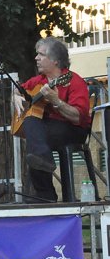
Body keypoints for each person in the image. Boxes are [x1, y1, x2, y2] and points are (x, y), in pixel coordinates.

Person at [13, 37, 90, 202]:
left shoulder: (74, 81)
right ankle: (43, 173)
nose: (36, 58)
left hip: (72, 130)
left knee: (35, 136)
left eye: (41, 54)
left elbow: (78, 116)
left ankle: (45, 195)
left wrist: (56, 101)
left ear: (55, 61)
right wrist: (16, 96)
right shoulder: (39, 81)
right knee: (33, 126)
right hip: (46, 130)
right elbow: (19, 88)